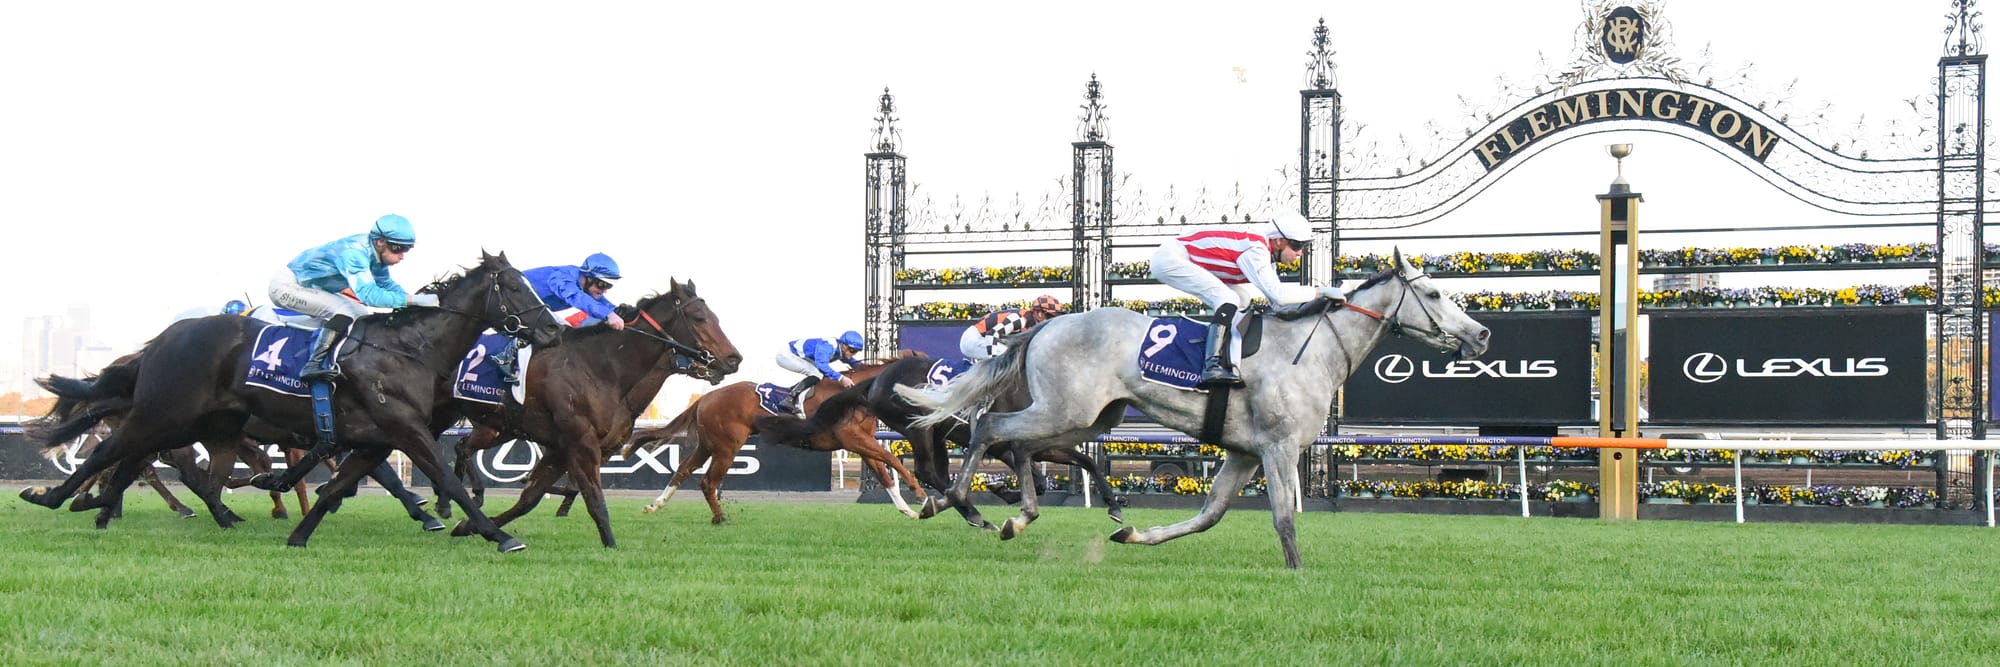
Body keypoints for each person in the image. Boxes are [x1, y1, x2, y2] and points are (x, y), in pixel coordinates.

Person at [1149, 210, 1344, 388]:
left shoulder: (1265, 255)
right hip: (1172, 258)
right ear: (1278, 241)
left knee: (1242, 298)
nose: (1299, 253)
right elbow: (1280, 295)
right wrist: (1320, 292)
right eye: (1296, 245)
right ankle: (1212, 365)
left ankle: (1224, 355)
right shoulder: (1256, 250)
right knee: (1229, 298)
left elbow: (1276, 304)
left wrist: (1318, 306)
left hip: (1182, 257)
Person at [268, 214, 438, 381]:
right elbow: (370, 295)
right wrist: (414, 301)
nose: (402, 255)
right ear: (380, 242)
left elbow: (386, 285)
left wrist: (416, 300)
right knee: (346, 311)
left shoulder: (376, 254)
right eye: (398, 248)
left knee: (361, 313)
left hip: (310, 287)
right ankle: (313, 365)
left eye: (406, 249)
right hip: (287, 286)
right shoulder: (354, 253)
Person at [492, 253, 625, 383]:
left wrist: (620, 312)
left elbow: (601, 302)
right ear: (588, 277)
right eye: (602, 284)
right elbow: (576, 297)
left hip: (529, 312)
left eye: (609, 286)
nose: (605, 290)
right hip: (506, 305)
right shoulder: (563, 278)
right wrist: (608, 315)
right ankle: (506, 357)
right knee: (556, 329)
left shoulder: (584, 284)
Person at [773, 330, 865, 415]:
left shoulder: (841, 348)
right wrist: (842, 378)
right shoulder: (828, 346)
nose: (853, 354)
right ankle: (790, 399)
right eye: (852, 350)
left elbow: (852, 361)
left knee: (817, 374)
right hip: (787, 354)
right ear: (843, 345)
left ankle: (796, 395)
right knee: (816, 373)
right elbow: (821, 365)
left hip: (800, 356)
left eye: (856, 352)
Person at [959, 294, 1065, 362]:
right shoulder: (1020, 320)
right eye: (1051, 316)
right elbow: (992, 334)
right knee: (1010, 356)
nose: (1053, 320)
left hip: (982, 338)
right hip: (973, 339)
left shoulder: (1032, 322)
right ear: (1039, 313)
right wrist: (994, 363)